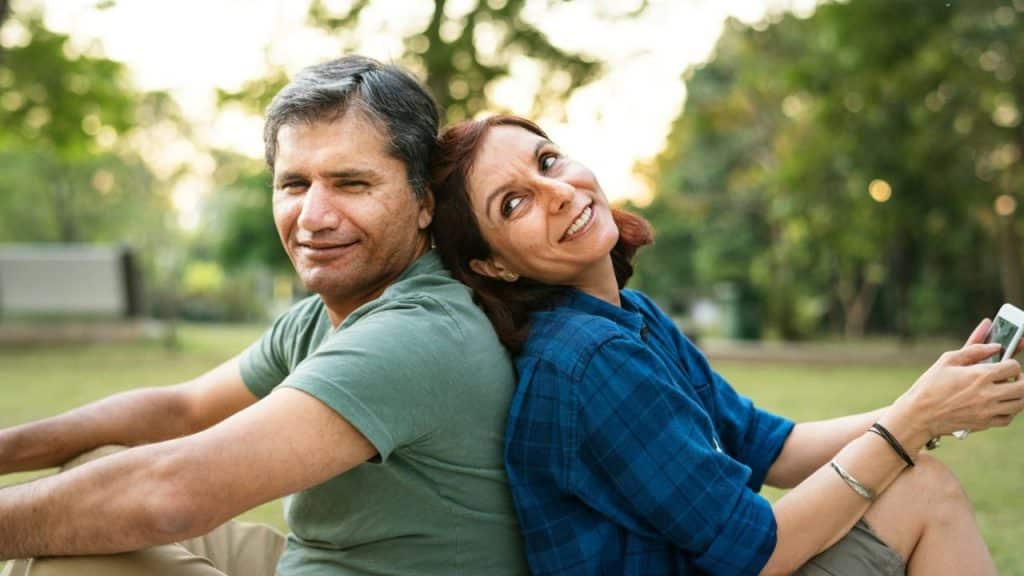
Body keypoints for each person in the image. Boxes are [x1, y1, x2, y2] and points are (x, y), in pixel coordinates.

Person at [430, 114, 1024, 575]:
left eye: (549, 161)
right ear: (494, 266)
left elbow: (776, 447)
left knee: (919, 482)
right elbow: (761, 553)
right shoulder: (587, 360)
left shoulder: (629, 318)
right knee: (925, 491)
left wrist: (934, 401)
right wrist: (914, 423)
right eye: (513, 204)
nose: (556, 191)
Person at [0, 57, 528, 576]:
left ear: (424, 202)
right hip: (312, 561)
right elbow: (181, 409)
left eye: (351, 184)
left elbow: (170, 495)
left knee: (72, 551)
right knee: (91, 473)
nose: (314, 218)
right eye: (295, 184)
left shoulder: (421, 332)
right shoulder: (327, 316)